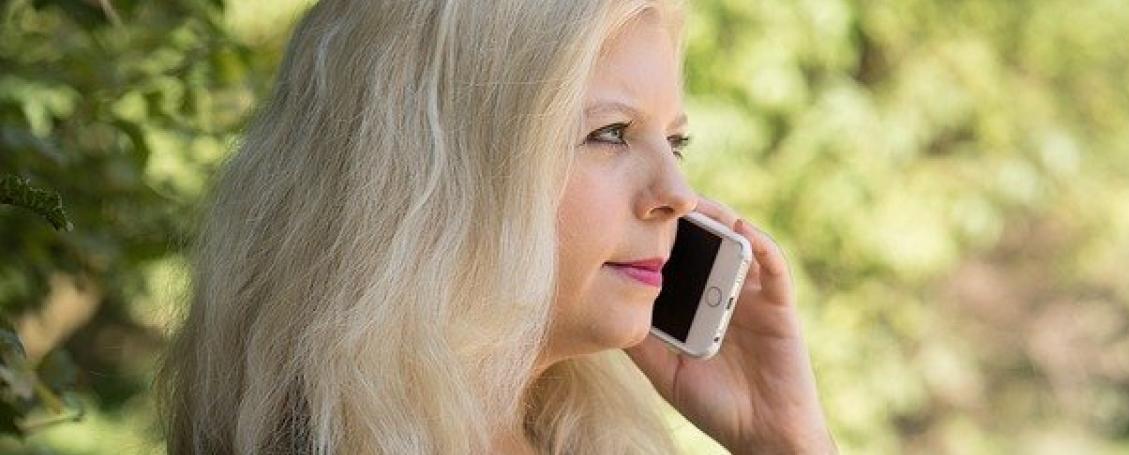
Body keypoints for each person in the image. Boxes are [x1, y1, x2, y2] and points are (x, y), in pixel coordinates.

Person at [157, 0, 837, 453]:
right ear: (435, 172)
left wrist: (783, 438)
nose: (676, 194)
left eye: (674, 141)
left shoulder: (579, 435)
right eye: (609, 134)